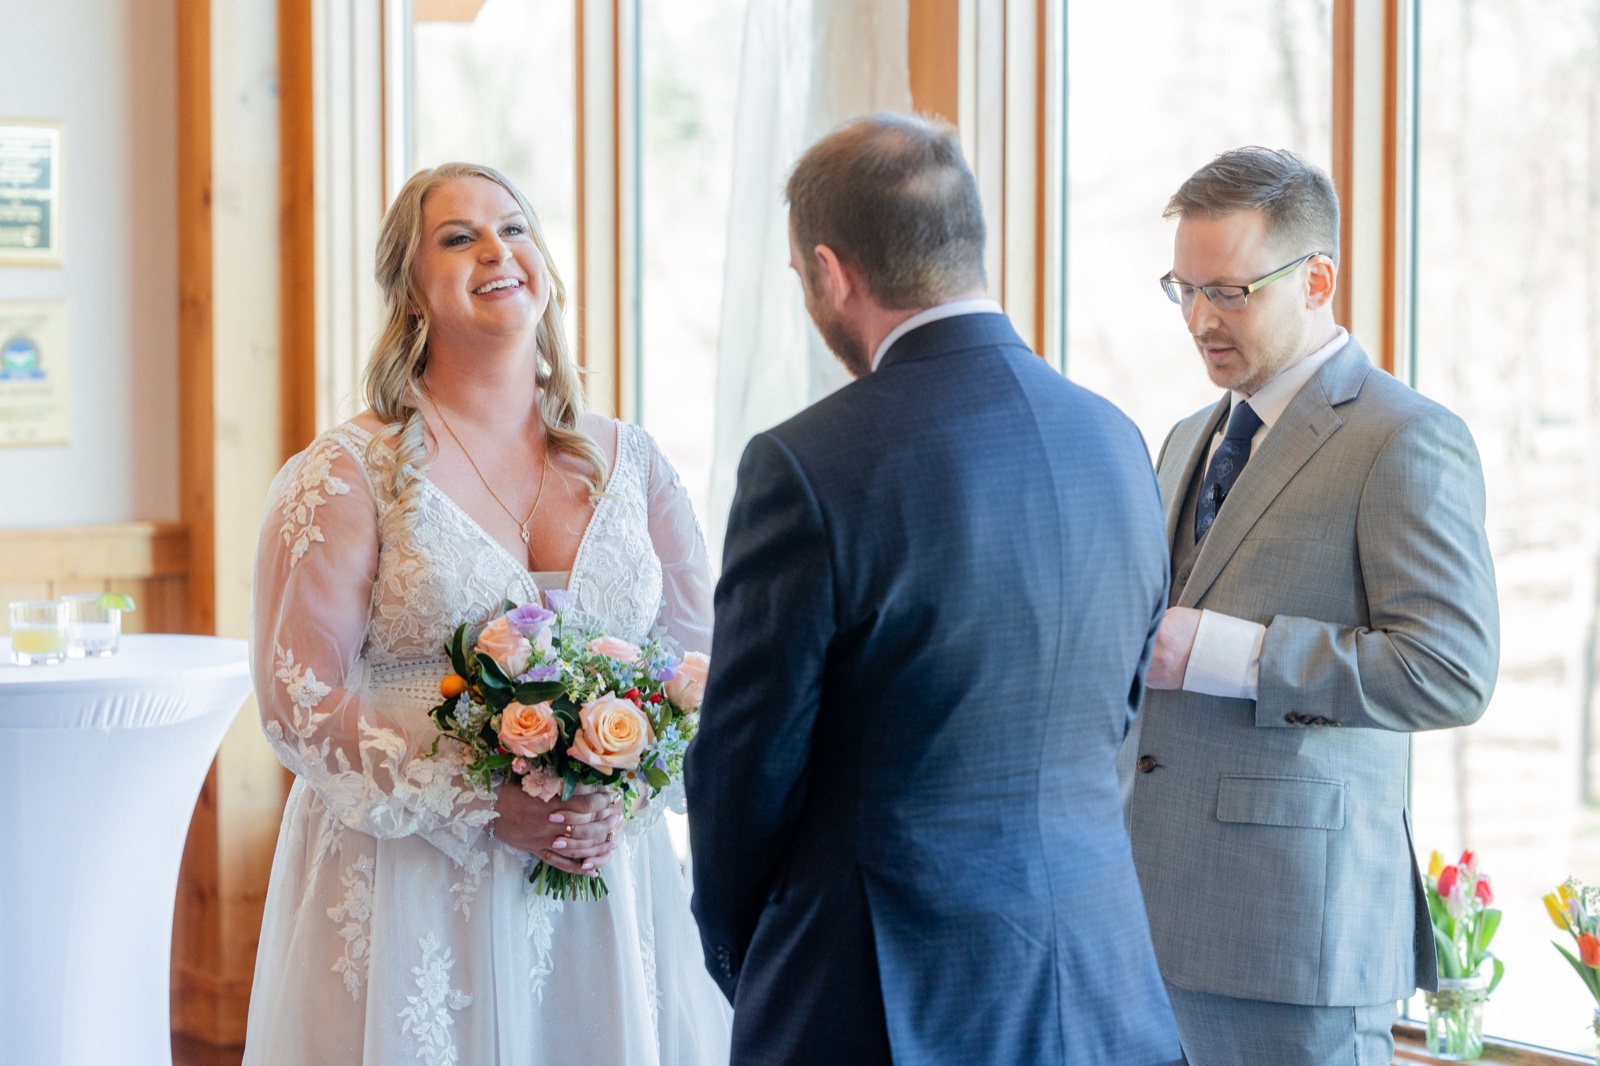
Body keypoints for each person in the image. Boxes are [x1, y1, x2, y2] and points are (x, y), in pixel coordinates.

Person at [685, 112, 1182, 1066]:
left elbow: (748, 766)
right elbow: (1113, 712)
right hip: (1098, 976)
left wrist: (753, 957)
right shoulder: (1116, 441)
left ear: (831, 272)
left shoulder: (808, 463)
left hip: (887, 990)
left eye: (800, 281)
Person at [242, 162, 731, 1065]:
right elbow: (299, 699)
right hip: (415, 886)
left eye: (515, 228)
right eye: (458, 237)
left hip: (605, 880)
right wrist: (478, 801)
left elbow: (702, 665)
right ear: (411, 289)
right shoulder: (352, 472)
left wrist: (622, 791)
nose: (497, 251)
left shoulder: (635, 465)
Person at [1123, 146, 1499, 1066]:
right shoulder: (1184, 438)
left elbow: (1450, 672)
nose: (1201, 320)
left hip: (1297, 937)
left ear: (1317, 278)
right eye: (1184, 289)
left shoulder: (1406, 438)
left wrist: (1233, 654)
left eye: (1231, 292)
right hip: (1145, 927)